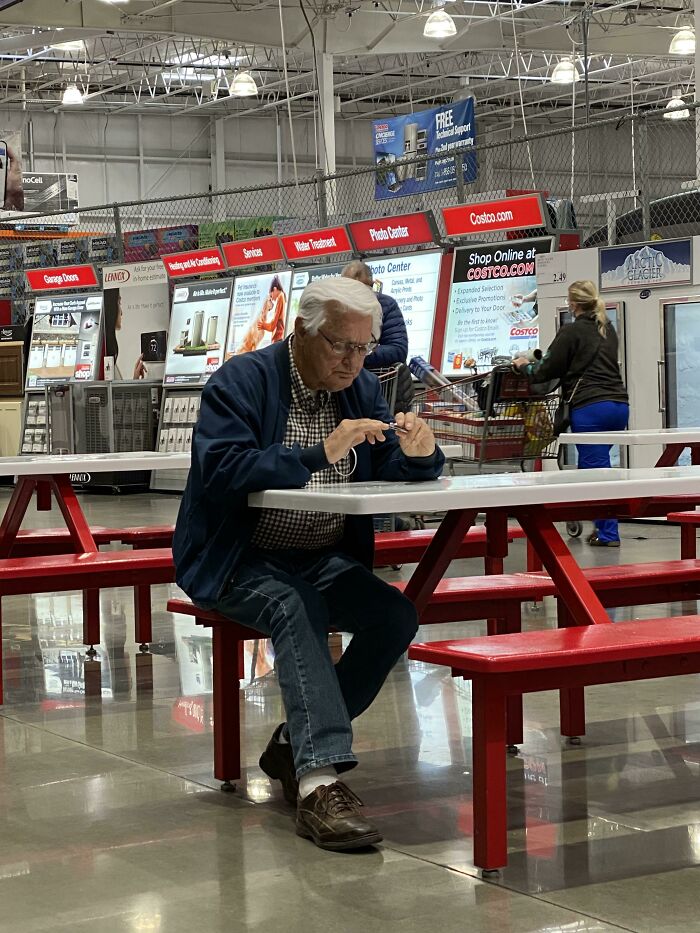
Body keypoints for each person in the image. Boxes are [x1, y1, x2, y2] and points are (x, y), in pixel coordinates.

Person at [174, 277, 444, 851]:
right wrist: (319, 452)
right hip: (234, 559)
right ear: (303, 332)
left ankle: (294, 747)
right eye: (340, 345)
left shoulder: (364, 389)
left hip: (319, 555)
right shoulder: (240, 382)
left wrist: (422, 455)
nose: (353, 361)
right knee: (299, 607)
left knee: (394, 616)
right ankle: (319, 783)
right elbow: (221, 472)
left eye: (364, 347)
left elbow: (388, 467)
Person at [513, 279, 629, 547]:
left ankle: (609, 533)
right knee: (600, 465)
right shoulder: (607, 329)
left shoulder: (572, 331)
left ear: (572, 303)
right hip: (619, 406)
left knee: (594, 470)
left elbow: (546, 369)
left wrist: (523, 367)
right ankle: (602, 526)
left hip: (591, 406)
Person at [341, 261, 413, 409]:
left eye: (356, 287)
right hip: (350, 389)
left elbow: (398, 349)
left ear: (371, 284)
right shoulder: (338, 307)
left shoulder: (386, 305)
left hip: (386, 391)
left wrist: (358, 352)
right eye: (345, 287)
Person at [236, 275, 287, 354]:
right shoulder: (281, 297)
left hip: (278, 338)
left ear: (275, 289)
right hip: (276, 339)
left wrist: (263, 325)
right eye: (270, 297)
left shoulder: (280, 297)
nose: (272, 299)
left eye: (271, 295)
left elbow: (273, 324)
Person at [103, 290, 148, 379]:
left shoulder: (110, 354)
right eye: (119, 303)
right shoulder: (105, 355)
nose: (121, 312)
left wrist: (135, 378)